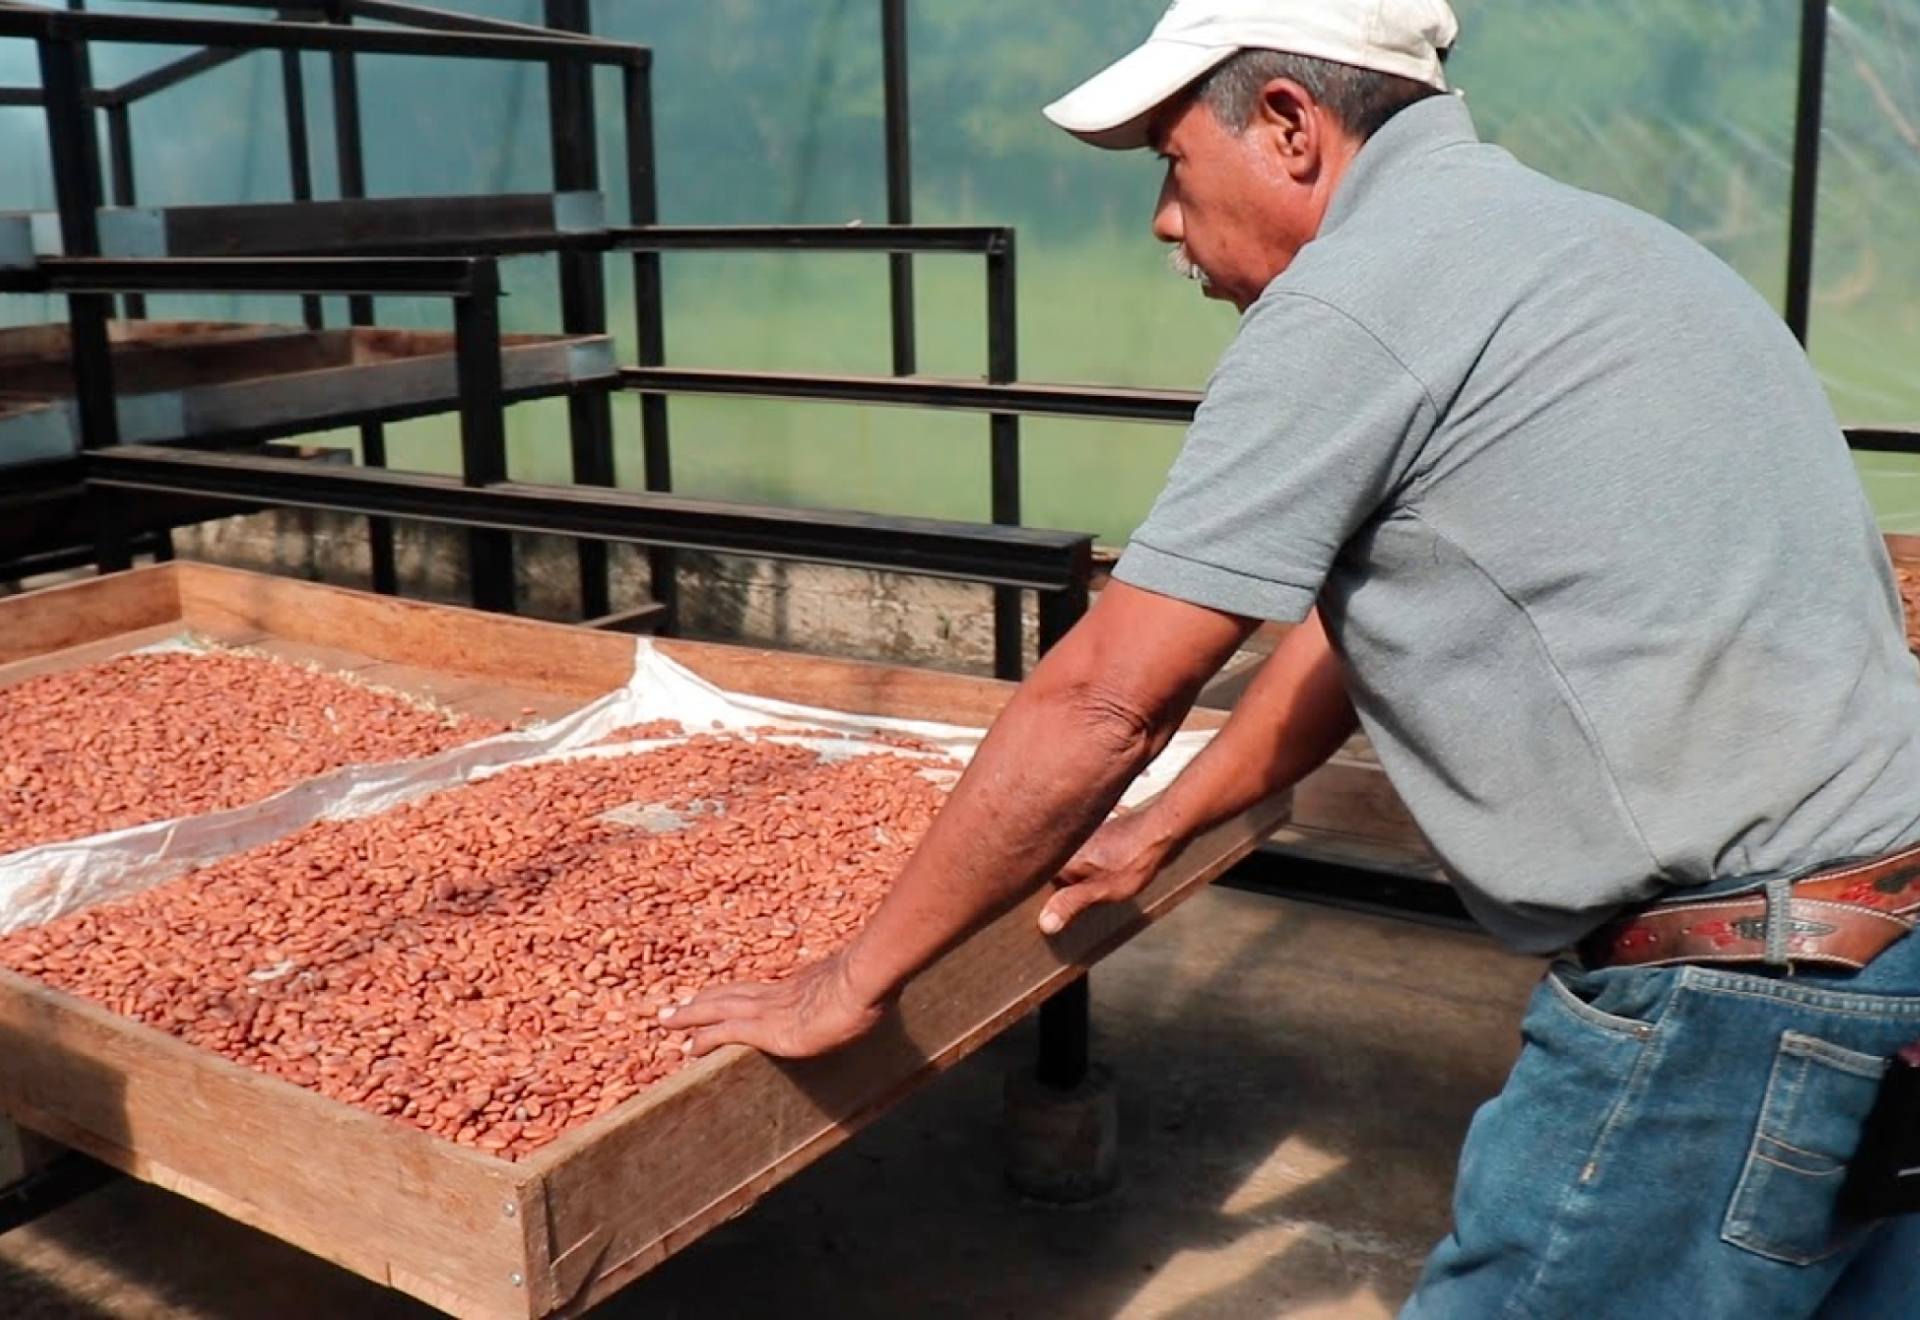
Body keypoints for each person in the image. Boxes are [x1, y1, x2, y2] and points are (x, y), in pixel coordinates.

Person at [664, 0, 1920, 1313]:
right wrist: (1169, 823)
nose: (1163, 219)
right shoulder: (1596, 244)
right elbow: (1362, 613)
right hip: (1885, 950)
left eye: (1170, 161)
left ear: (1287, 126)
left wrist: (850, 980)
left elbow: (1103, 698)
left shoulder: (1358, 298)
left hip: (1734, 1006)